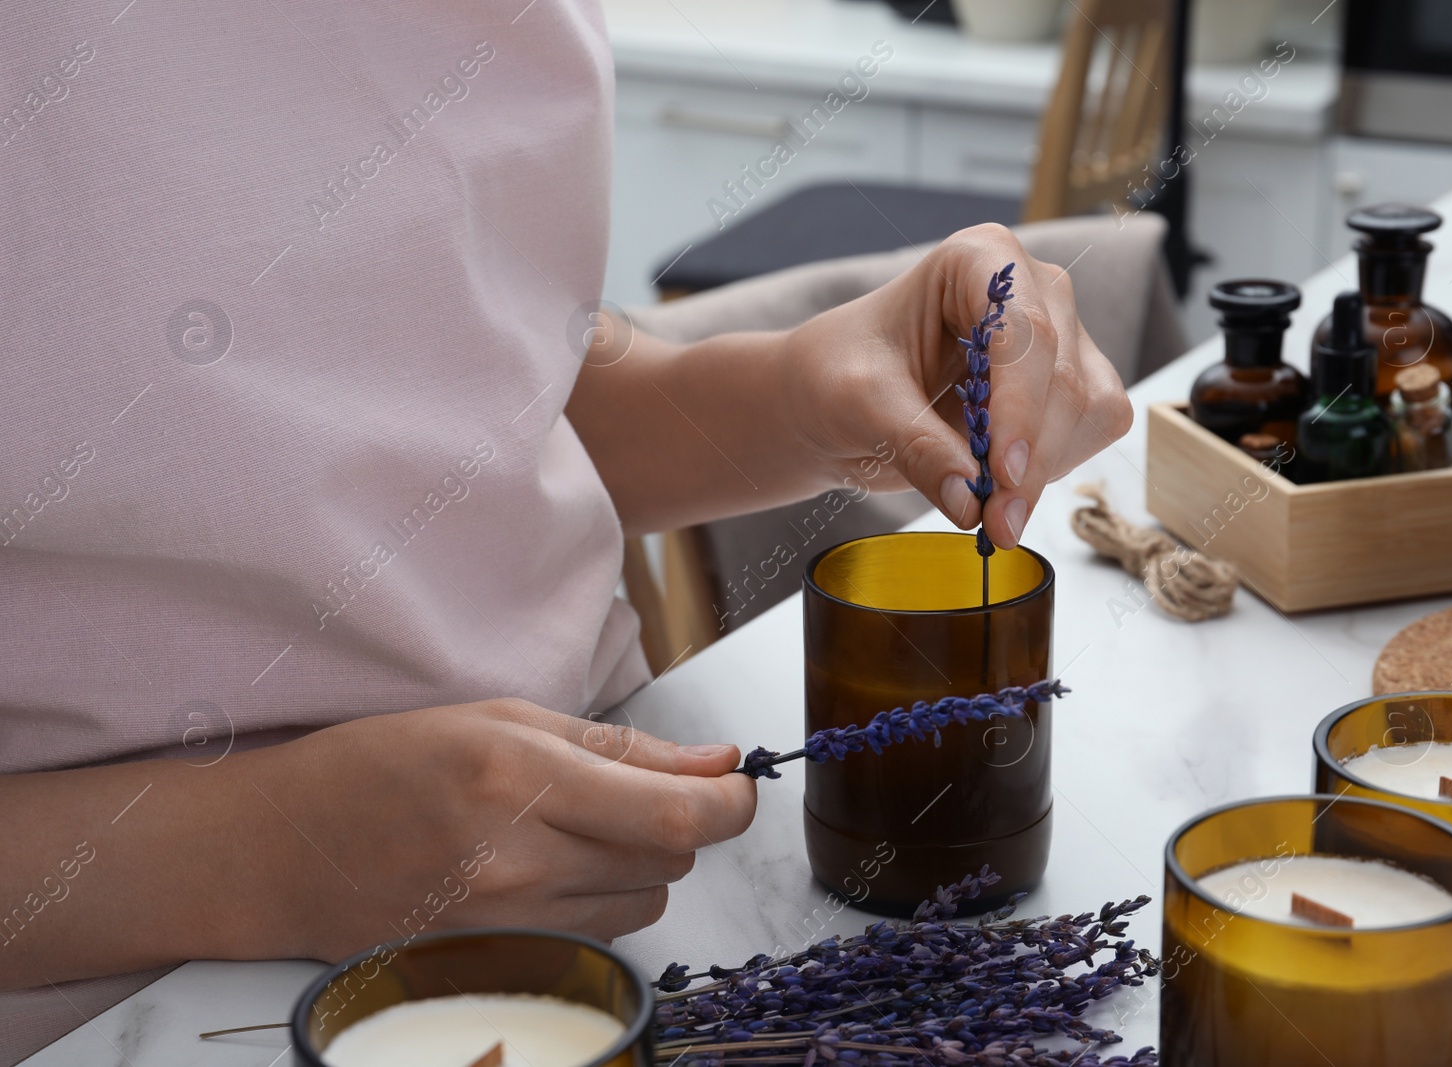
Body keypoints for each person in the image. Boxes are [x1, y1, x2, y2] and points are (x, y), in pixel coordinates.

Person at [0, 0, 1129, 1039]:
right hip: (125, 1006)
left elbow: (484, 385)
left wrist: (791, 394)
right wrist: (263, 852)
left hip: (623, 898)